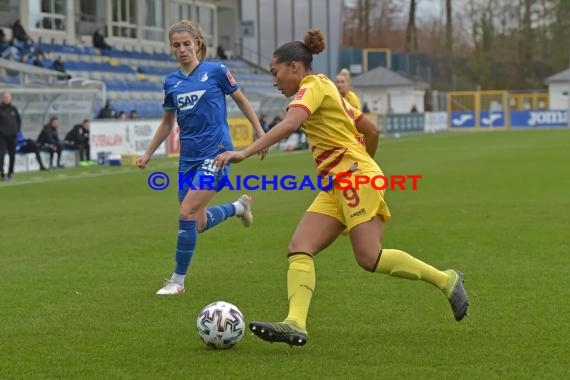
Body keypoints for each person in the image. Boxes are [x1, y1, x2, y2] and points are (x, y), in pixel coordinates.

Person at [215, 28, 469, 346]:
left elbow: (291, 123)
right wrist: (367, 165)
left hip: (351, 178)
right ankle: (295, 322)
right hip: (339, 182)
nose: (273, 80)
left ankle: (447, 280)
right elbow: (371, 129)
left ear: (294, 67)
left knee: (369, 257)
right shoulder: (327, 89)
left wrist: (244, 151)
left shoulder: (312, 86)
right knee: (300, 247)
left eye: (275, 72)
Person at [136, 20, 267, 295]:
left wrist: (260, 133)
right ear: (171, 48)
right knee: (197, 222)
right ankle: (238, 208)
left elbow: (241, 100)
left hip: (217, 155)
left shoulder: (216, 71)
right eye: (176, 45)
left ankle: (177, 281)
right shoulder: (171, 82)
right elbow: (166, 122)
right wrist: (148, 152)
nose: (182, 49)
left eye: (186, 43)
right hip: (188, 160)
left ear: (197, 43)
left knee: (185, 213)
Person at [0, 91, 21, 181]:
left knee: (12, 155)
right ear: (1, 98)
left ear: (10, 98)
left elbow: (19, 121)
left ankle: (10, 173)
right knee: (1, 155)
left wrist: (16, 130)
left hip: (13, 136)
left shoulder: (14, 109)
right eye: (5, 97)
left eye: (8, 97)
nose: (6, 99)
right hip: (2, 137)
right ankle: (2, 173)